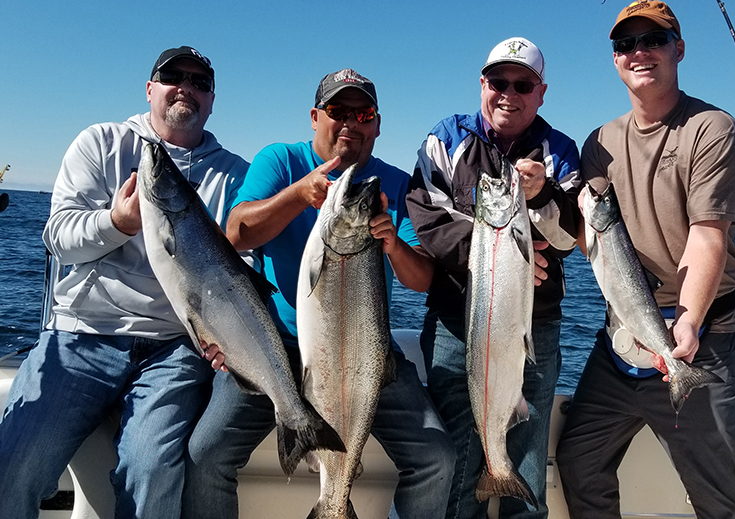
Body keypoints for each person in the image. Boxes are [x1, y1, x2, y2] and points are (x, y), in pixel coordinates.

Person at [183, 68, 456, 519]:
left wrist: (394, 244)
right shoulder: (280, 161)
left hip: (366, 354)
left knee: (437, 459)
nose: (350, 121)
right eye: (338, 110)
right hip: (274, 348)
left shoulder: (395, 182)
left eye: (363, 112)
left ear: (377, 123)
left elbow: (424, 279)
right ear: (315, 116)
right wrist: (296, 196)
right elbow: (236, 233)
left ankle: (335, 500)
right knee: (206, 453)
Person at [0, 47, 250, 519]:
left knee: (152, 470)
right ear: (150, 88)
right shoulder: (100, 142)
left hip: (174, 349)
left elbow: (242, 267)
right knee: (12, 466)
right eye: (173, 75)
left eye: (200, 81)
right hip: (80, 337)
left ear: (212, 100)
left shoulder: (235, 174)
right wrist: (117, 221)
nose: (186, 86)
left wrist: (225, 338)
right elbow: (58, 237)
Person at [555, 2, 735, 518]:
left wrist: (686, 324)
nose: (639, 52)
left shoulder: (713, 130)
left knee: (719, 495)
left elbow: (709, 236)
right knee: (578, 461)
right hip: (621, 337)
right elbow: (594, 243)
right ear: (615, 60)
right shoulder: (598, 144)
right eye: (626, 44)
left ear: (678, 49)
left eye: (654, 40)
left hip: (700, 336)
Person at [406, 38, 582, 518]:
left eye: (522, 84)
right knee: (458, 461)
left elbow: (571, 238)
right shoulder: (445, 138)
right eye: (498, 81)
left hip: (534, 327)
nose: (509, 93)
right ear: (482, 84)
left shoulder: (560, 152)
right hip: (452, 323)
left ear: (541, 92)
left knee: (526, 461)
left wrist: (542, 192)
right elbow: (427, 217)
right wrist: (504, 257)